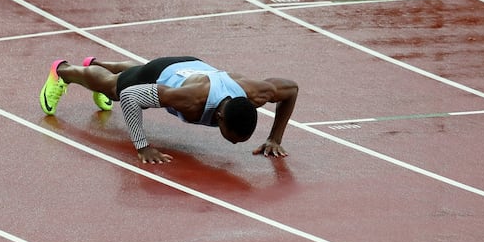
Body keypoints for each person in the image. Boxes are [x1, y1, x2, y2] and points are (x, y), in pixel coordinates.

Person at [39, 56, 298, 164]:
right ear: (219, 116)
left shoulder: (256, 93)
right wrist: (142, 146)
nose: (232, 144)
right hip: (164, 73)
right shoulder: (188, 99)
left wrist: (275, 138)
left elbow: (291, 89)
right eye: (231, 137)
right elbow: (131, 97)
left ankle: (95, 63)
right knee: (115, 89)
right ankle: (63, 70)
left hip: (190, 66)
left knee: (133, 73)